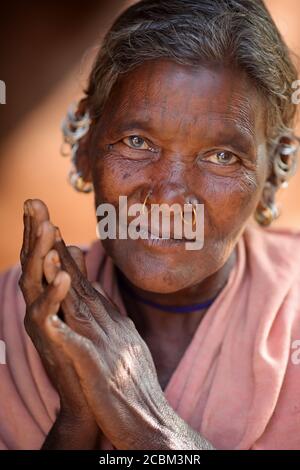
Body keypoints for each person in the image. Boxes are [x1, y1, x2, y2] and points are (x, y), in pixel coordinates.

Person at [1, 0, 300, 450]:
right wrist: (78, 420)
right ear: (85, 146)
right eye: (137, 141)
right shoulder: (9, 325)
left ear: (274, 173)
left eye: (222, 156)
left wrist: (145, 420)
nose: (168, 196)